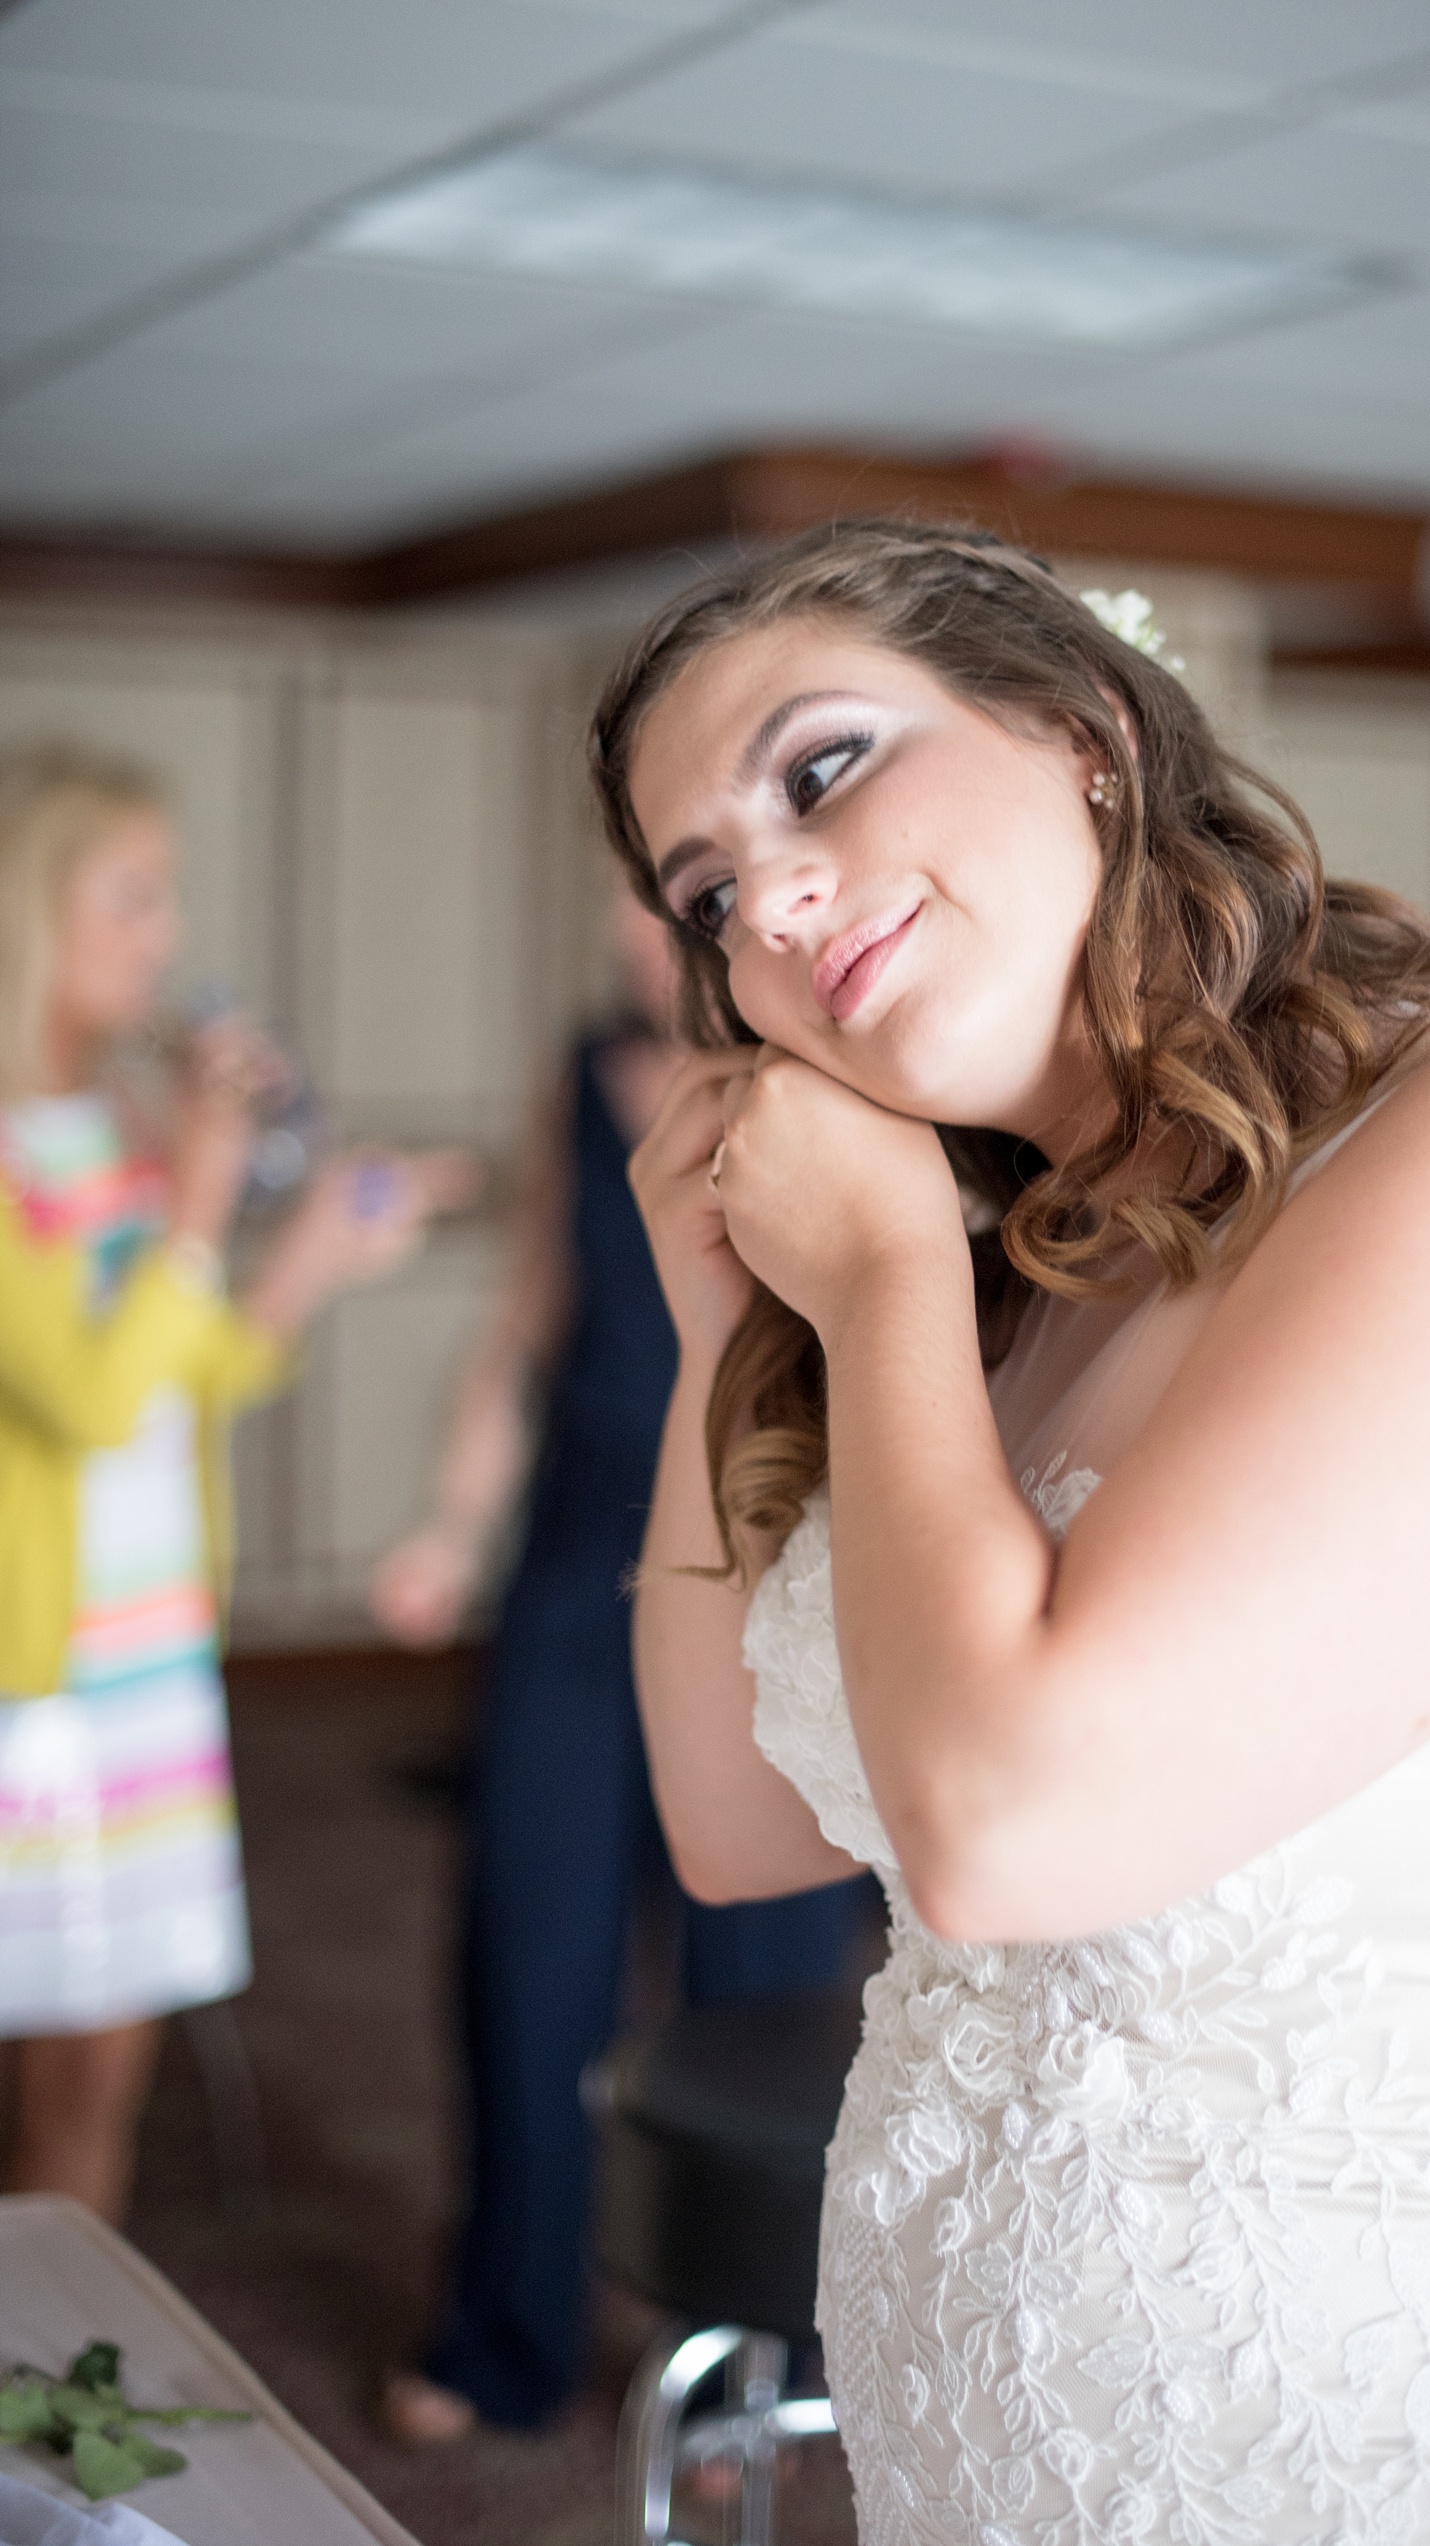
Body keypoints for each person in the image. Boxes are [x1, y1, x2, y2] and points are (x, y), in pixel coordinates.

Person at [595, 520, 1430, 2540]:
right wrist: (712, 1338)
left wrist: (877, 1290)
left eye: (817, 770)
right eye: (706, 891)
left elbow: (1015, 1829)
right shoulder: (1026, 1281)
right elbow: (738, 1820)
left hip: (1385, 2452)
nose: (766, 898)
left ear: (1080, 726)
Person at [370, 894, 869, 2441]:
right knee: (528, 1951)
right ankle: (502, 2332)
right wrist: (451, 1520)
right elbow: (530, 1316)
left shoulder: (832, 1098)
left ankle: (758, 2371)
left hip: (769, 1559)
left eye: (671, 895)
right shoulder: (584, 1069)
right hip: (578, 1562)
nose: (619, 919)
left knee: (768, 1977)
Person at [0, 741, 465, 2226]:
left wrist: (316, 1248)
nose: (168, 937)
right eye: (132, 896)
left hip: (144, 1665)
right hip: (27, 1683)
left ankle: (48, 2407)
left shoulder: (127, 1131)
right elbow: (85, 1397)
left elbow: (193, 1377)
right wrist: (203, 1188)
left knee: (100, 2070)